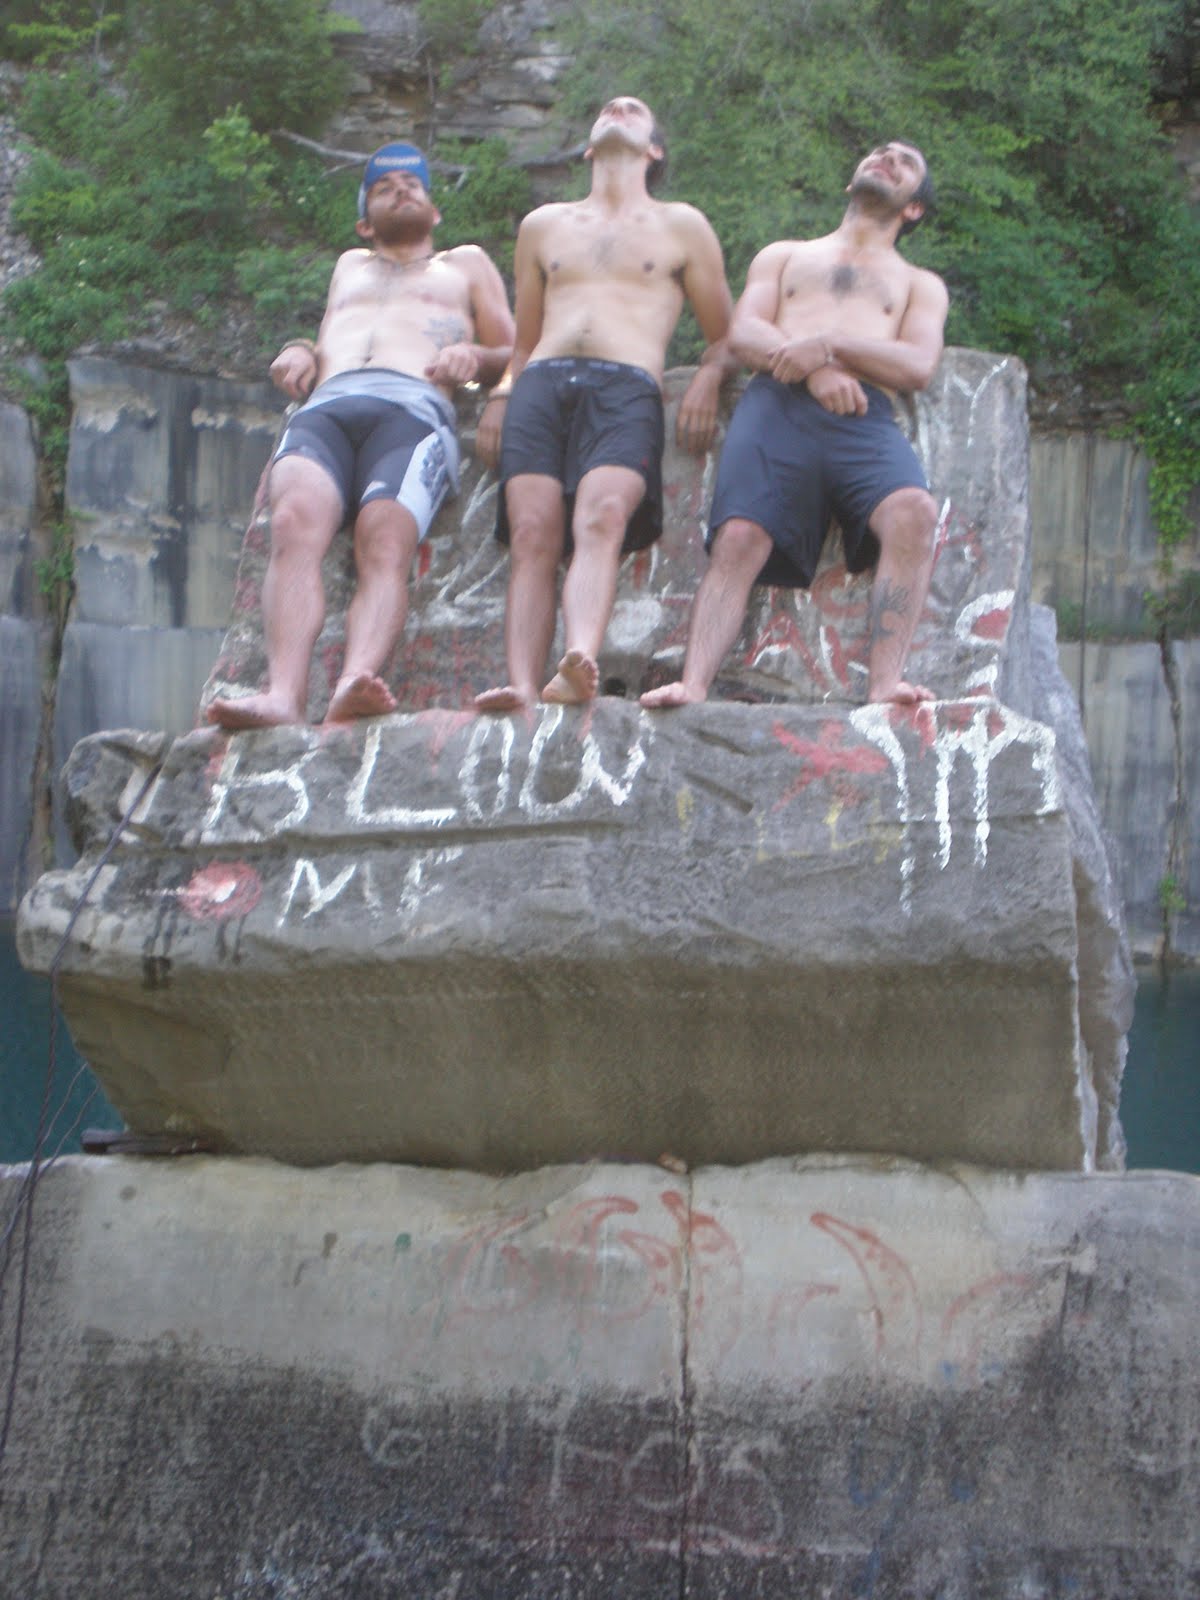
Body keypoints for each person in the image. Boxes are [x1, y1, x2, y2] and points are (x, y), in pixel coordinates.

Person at [207, 142, 514, 729]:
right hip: (327, 404)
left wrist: (477, 359)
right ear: (364, 220)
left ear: (435, 210)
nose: (402, 189)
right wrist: (299, 350)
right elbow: (330, 336)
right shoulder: (349, 265)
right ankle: (283, 695)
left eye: (413, 184)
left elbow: (517, 351)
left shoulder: (465, 264)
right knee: (294, 524)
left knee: (384, 537)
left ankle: (353, 683)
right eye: (385, 187)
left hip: (414, 409)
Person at [641, 140, 948, 711]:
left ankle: (885, 686)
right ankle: (694, 683)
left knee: (914, 513)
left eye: (905, 163)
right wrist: (814, 373)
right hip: (776, 404)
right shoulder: (784, 255)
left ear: (913, 210)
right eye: (879, 153)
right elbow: (746, 332)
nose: (886, 158)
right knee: (739, 537)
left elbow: (917, 365)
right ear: (849, 182)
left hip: (862, 416)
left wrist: (826, 347)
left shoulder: (919, 283)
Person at [473, 96, 735, 713]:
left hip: (627, 382)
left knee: (601, 517)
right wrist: (501, 394)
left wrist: (707, 377)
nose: (619, 106)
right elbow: (524, 338)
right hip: (542, 381)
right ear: (589, 149)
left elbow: (725, 334)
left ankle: (579, 659)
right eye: (610, 106)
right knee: (533, 532)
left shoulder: (682, 225)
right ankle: (519, 682)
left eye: (636, 107)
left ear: (655, 150)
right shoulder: (544, 224)